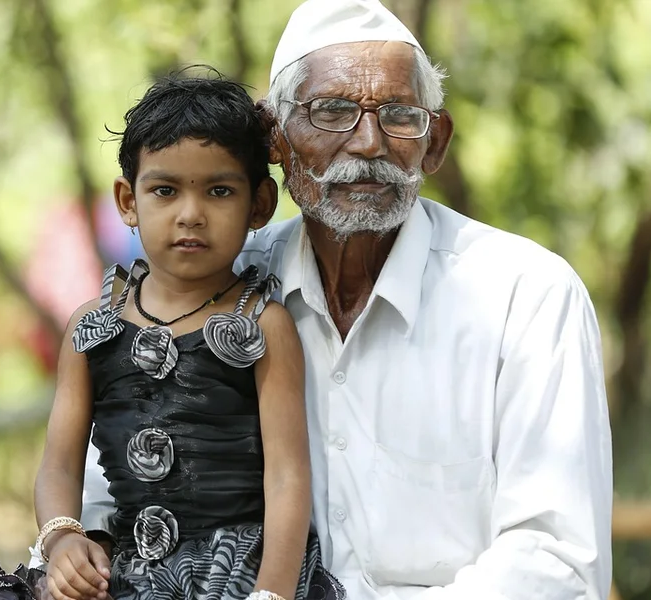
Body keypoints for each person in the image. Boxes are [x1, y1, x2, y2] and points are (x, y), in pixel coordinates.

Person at [67, 1, 615, 599]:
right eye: (331, 112)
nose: (369, 142)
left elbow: (559, 564)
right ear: (275, 139)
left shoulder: (525, 296)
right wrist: (73, 551)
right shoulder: (219, 291)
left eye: (401, 116)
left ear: (435, 144)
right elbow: (118, 492)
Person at [0, 69, 345, 600]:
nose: (191, 214)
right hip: (127, 572)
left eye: (219, 191)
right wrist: (61, 539)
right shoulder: (91, 329)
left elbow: (288, 478)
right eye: (165, 190)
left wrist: (271, 594)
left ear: (259, 205)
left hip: (237, 571)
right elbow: (59, 465)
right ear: (128, 201)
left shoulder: (264, 324)